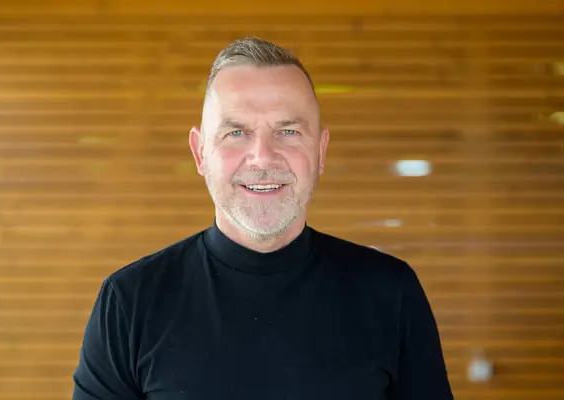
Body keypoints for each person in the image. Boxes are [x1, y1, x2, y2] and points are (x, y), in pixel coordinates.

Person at [71, 37, 454, 400]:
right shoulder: (129, 301)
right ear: (200, 152)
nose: (263, 157)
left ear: (320, 151)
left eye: (287, 131)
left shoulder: (391, 292)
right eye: (236, 132)